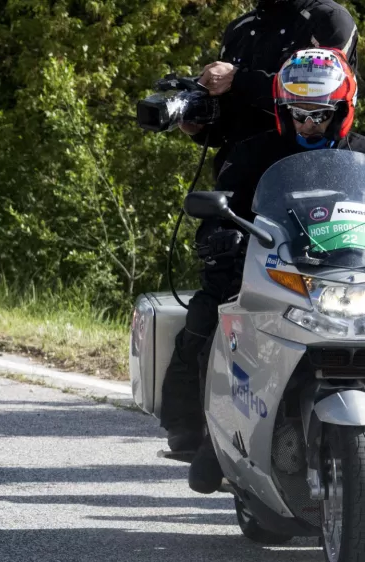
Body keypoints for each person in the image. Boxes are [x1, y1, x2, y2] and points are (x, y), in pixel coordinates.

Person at [162, 0, 359, 453]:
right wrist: (197, 119)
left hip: (341, 234)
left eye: (320, 113)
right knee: (215, 295)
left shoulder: (328, 19)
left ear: (343, 107)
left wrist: (241, 79)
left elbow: (327, 71)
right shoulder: (244, 28)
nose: (309, 121)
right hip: (254, 191)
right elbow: (227, 122)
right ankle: (196, 426)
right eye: (298, 112)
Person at [178, 0, 358, 179]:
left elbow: (319, 95)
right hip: (240, 179)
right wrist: (197, 123)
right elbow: (229, 125)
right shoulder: (238, 29)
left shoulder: (329, 18)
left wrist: (239, 79)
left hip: (310, 174)